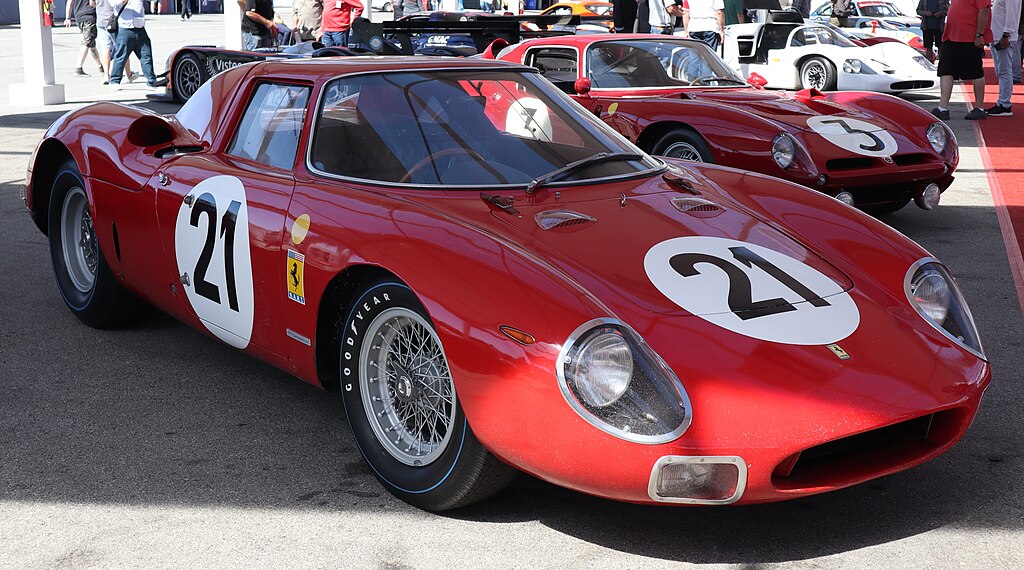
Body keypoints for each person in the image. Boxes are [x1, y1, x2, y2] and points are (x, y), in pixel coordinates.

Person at [932, 0, 992, 120]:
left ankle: (979, 107)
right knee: (946, 70)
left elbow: (984, 11)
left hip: (970, 37)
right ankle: (943, 108)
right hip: (952, 35)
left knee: (975, 71)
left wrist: (979, 35)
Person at [986, 0, 1021, 116]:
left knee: (1005, 71)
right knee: (1001, 71)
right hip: (997, 36)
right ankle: (1002, 102)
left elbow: (1013, 15)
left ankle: (1005, 104)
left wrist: (1006, 34)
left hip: (1004, 37)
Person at [64, 0, 104, 76]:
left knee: (91, 43)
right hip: (89, 16)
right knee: (87, 42)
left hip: (79, 17)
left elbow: (69, 2)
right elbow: (93, 3)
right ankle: (78, 68)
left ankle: (101, 66)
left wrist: (68, 18)